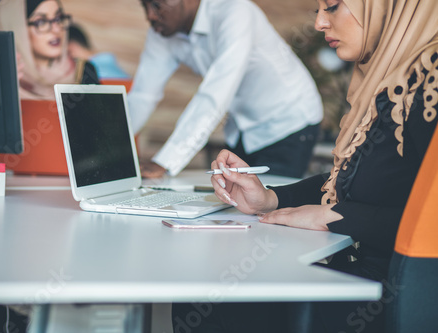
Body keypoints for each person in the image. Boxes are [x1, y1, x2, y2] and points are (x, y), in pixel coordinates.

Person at [172, 0, 438, 332]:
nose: (319, 24)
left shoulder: (430, 79)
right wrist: (270, 198)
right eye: (318, 11)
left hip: (396, 290)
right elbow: (353, 180)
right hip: (358, 271)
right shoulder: (387, 79)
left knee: (210, 292)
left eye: (333, 7)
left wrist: (337, 217)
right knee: (203, 283)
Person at [128, 0, 323, 178]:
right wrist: (107, 153)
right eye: (144, 6)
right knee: (234, 200)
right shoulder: (162, 32)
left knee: (269, 206)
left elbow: (216, 93)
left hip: (289, 121)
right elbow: (142, 96)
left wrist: (165, 161)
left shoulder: (234, 11)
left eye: (156, 4)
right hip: (242, 129)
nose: (150, 15)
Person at [0, 0, 98, 100]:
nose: (56, 29)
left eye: (59, 18)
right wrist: (3, 88)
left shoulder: (83, 72)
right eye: (41, 22)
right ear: (16, 29)